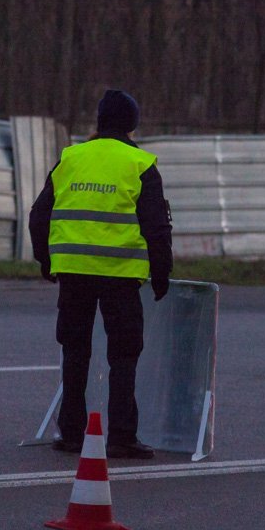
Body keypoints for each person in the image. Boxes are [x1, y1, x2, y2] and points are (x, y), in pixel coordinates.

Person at [28, 89, 173, 459]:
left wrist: (46, 260)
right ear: (132, 124)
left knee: (75, 350)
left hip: (73, 271)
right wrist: (161, 274)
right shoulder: (139, 163)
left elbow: (39, 215)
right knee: (123, 354)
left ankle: (71, 433)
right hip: (119, 274)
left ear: (100, 121)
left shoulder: (71, 158)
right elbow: (157, 227)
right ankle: (122, 436)